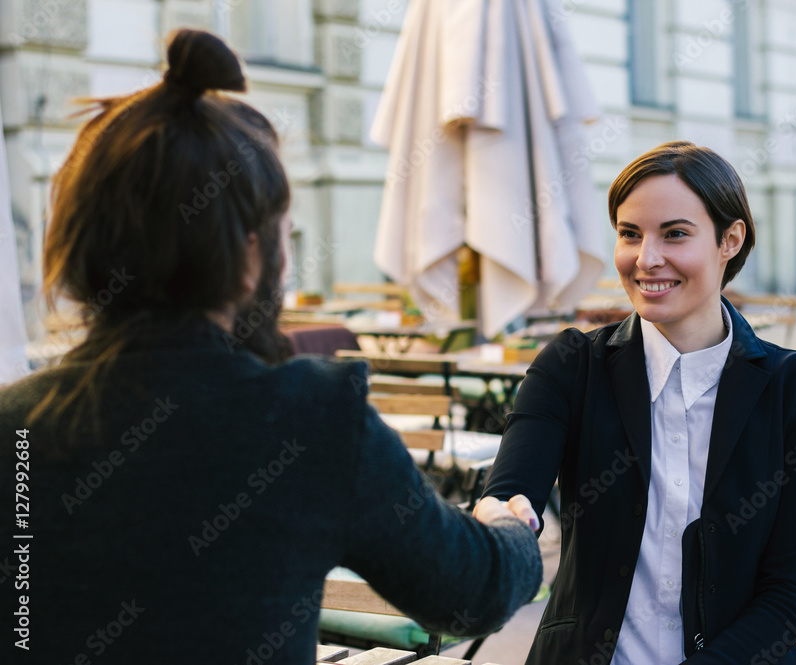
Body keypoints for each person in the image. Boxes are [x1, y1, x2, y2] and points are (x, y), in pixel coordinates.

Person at [0, 29, 541, 663]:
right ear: (252, 253)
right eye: (283, 232)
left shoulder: (18, 426)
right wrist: (512, 526)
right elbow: (470, 591)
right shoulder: (312, 417)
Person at [477, 141, 796, 664]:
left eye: (675, 234)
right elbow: (514, 488)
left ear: (729, 240)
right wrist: (502, 518)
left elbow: (790, 595)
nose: (646, 259)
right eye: (630, 234)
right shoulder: (572, 365)